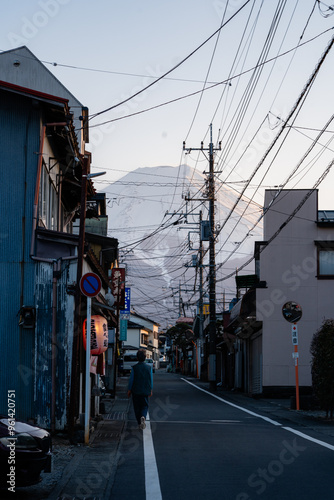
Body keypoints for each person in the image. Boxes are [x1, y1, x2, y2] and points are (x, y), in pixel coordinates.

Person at [127, 349, 153, 429]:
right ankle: (143, 417)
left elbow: (131, 380)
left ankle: (139, 422)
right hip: (145, 390)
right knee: (145, 406)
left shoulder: (134, 368)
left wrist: (129, 390)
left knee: (137, 407)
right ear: (145, 358)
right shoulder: (149, 368)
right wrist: (150, 389)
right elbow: (150, 379)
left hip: (136, 391)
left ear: (137, 358)